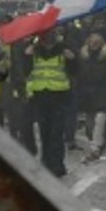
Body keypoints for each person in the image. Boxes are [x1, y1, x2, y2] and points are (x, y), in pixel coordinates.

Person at [23, 26, 77, 177]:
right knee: (44, 130)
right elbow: (26, 72)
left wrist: (72, 59)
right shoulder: (33, 50)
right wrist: (27, 56)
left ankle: (57, 164)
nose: (48, 36)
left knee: (57, 132)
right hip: (40, 95)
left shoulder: (64, 48)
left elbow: (75, 71)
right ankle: (46, 161)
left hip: (59, 96)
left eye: (50, 32)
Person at [75, 31, 106, 161]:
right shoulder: (83, 57)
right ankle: (98, 145)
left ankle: (95, 148)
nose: (94, 44)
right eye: (92, 42)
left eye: (97, 42)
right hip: (87, 93)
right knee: (89, 125)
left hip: (103, 92)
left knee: (100, 121)